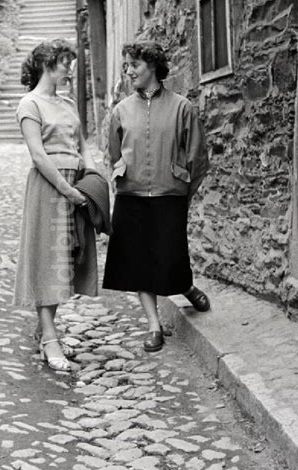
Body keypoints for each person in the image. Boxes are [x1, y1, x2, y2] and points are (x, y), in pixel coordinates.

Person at [103, 40, 210, 352]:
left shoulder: (182, 108)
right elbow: (114, 155)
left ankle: (186, 287)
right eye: (127, 65)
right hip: (131, 195)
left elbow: (198, 158)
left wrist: (182, 194)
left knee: (171, 256)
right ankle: (154, 326)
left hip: (169, 193)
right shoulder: (121, 111)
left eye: (134, 65)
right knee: (137, 261)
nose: (129, 71)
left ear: (152, 66)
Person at [14, 39, 98, 373]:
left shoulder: (68, 105)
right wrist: (65, 189)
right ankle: (50, 337)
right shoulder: (29, 104)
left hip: (75, 184)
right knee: (47, 259)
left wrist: (92, 178)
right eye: (65, 62)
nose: (69, 68)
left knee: (67, 258)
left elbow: (82, 146)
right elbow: (37, 154)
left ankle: (45, 327)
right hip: (49, 188)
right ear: (48, 64)